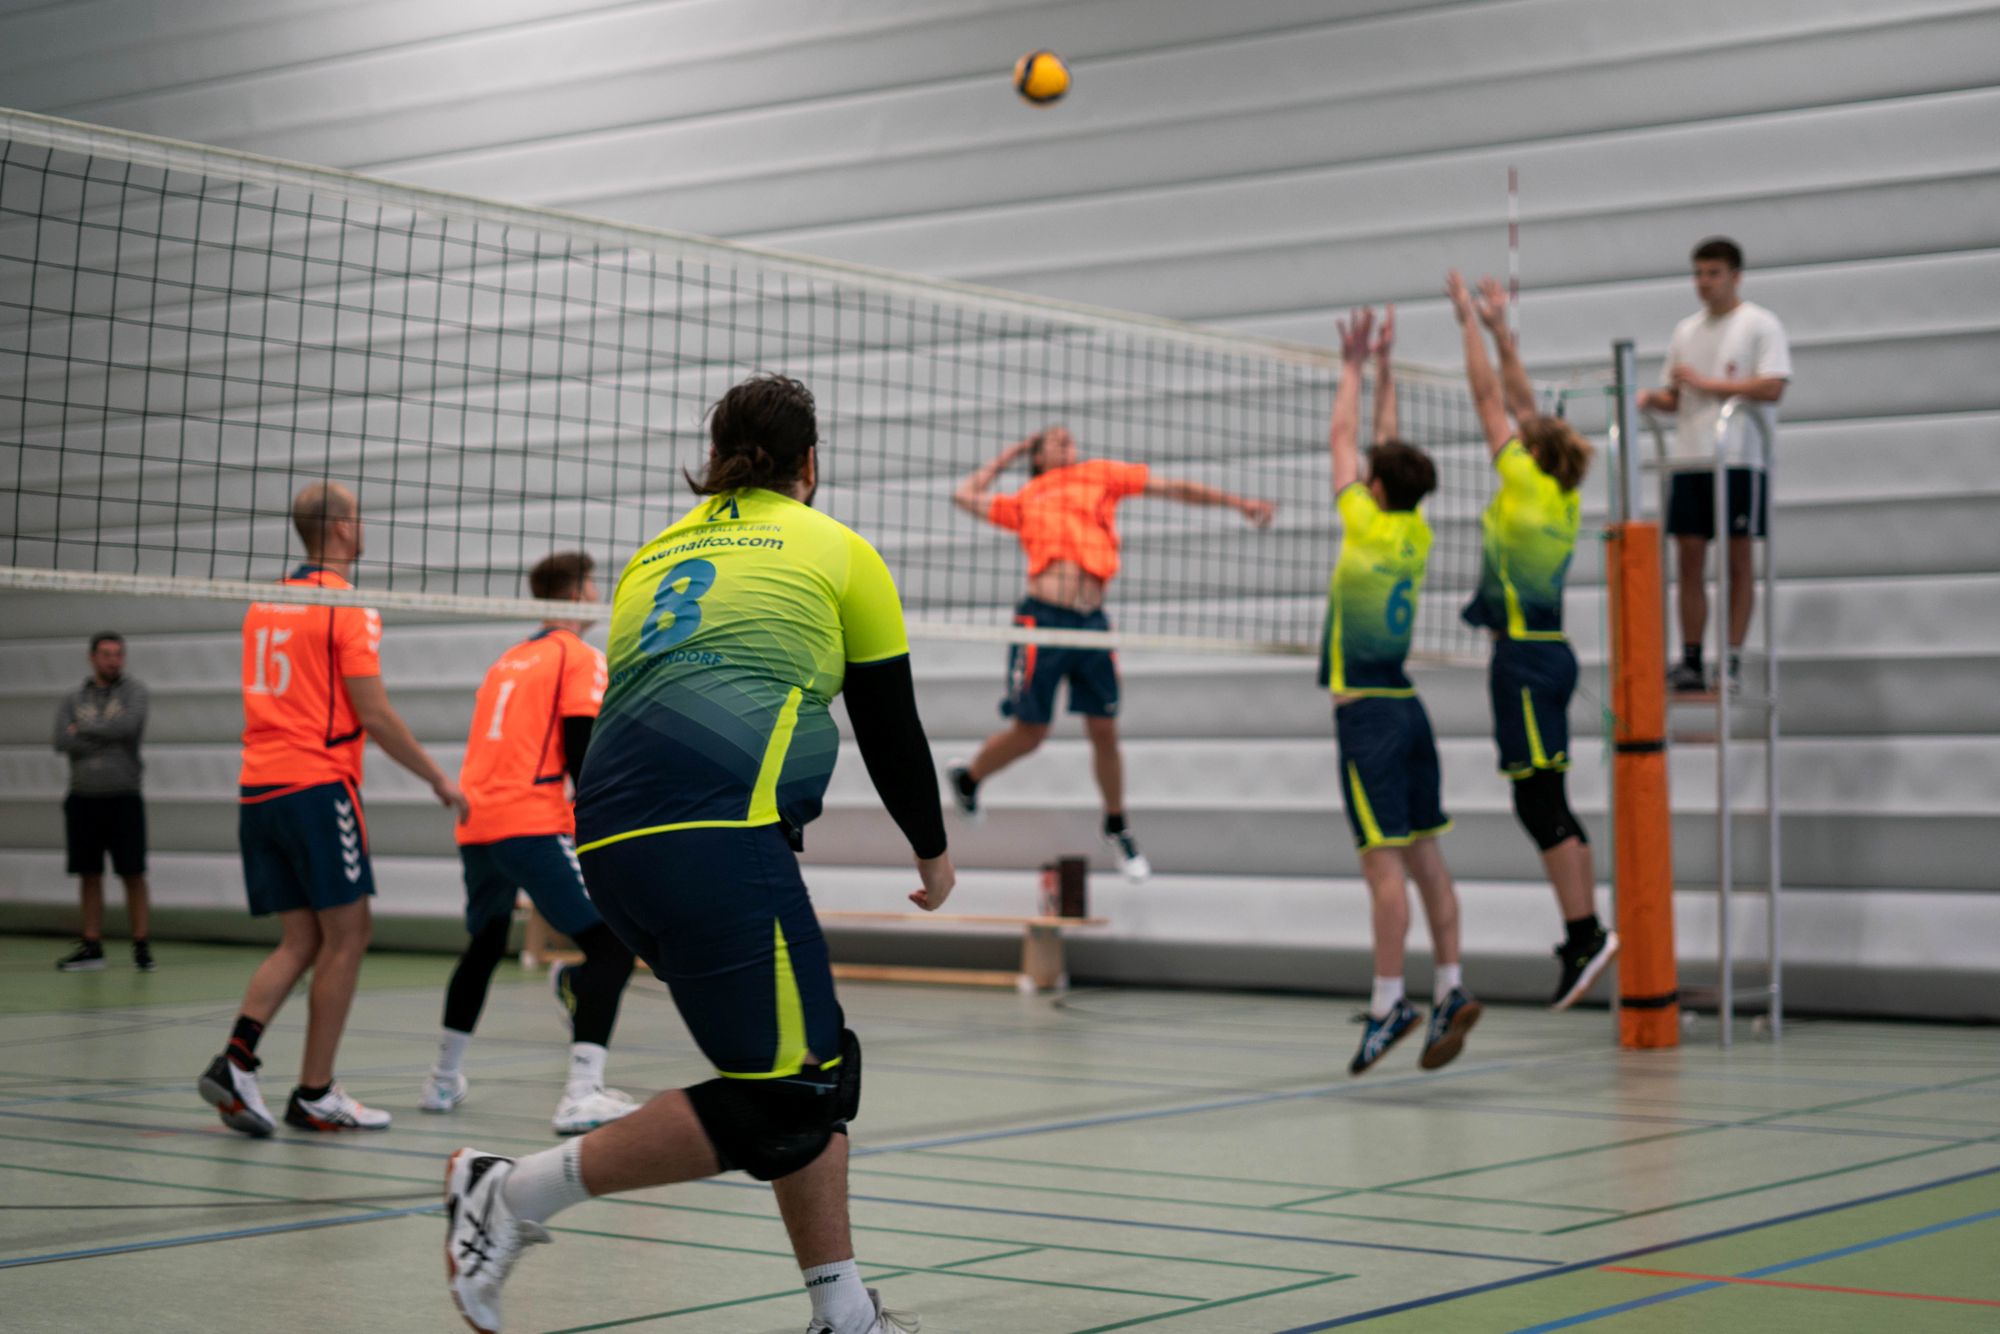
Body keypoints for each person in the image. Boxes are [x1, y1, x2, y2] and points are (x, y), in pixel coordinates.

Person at [442, 375, 948, 1334]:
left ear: (714, 459)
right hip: (716, 836)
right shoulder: (838, 550)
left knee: (802, 1064)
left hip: (610, 844)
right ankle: (508, 1193)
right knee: (797, 1093)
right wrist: (933, 852)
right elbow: (892, 729)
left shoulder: (653, 555)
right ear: (810, 463)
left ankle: (844, 1315)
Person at [196, 482, 468, 1137]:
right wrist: (439, 778)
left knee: (302, 938)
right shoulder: (345, 605)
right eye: (359, 516)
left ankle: (237, 1060)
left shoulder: (265, 603)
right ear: (343, 527)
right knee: (349, 934)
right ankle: (315, 1092)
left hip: (258, 789)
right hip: (317, 788)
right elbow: (374, 712)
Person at [946, 425, 1275, 880]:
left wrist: (1239, 504)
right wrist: (1011, 454)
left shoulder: (1099, 475)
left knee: (1104, 730)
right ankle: (969, 778)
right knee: (1030, 733)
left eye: (1070, 437)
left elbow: (1173, 488)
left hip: (1092, 625)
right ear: (1037, 456)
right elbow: (963, 496)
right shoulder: (1026, 498)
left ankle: (1117, 825)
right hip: (1042, 622)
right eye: (1054, 439)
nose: (1067, 441)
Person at [422, 551, 638, 1136]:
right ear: (576, 593)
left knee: (485, 943)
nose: (596, 594)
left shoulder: (507, 661)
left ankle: (442, 1080)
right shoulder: (577, 656)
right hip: (530, 822)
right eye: (592, 584)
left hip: (477, 824)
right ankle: (581, 1093)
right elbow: (581, 752)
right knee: (613, 945)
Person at [1451, 272, 1620, 1010]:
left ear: (1531, 452)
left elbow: (1490, 399)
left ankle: (1584, 932)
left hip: (1522, 660)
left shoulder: (1522, 485)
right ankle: (1585, 932)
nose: (1513, 435)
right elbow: (1520, 405)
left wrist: (1468, 323)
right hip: (1549, 654)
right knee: (1549, 796)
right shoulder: (1563, 493)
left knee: (1537, 801)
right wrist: (1501, 330)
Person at [1321, 305, 1478, 1077]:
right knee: (1427, 859)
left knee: (1383, 869)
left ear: (1374, 489)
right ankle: (1449, 987)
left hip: (1368, 719)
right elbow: (1379, 450)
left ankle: (1390, 1005)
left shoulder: (1363, 525)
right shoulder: (1415, 531)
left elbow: (1342, 440)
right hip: (1410, 712)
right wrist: (1387, 373)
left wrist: (1352, 365)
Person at [1635, 237, 1791, 692]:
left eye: (1714, 273)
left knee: (1738, 560)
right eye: (1699, 274)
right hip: (1691, 457)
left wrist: (1707, 383)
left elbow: (1772, 386)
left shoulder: (1759, 324)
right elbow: (1676, 397)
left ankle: (1732, 661)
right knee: (1688, 560)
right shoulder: (1686, 331)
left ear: (1735, 276)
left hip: (1738, 457)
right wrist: (1647, 398)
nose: (1704, 283)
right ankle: (1690, 658)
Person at [52, 633, 152, 972]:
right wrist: (104, 733)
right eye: (106, 654)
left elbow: (127, 727)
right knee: (89, 873)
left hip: (123, 796)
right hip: (83, 798)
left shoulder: (135, 693)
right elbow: (61, 740)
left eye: (118, 654)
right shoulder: (73, 697)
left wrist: (83, 729)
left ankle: (141, 945)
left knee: (133, 872)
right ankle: (92, 945)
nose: (113, 660)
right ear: (92, 657)